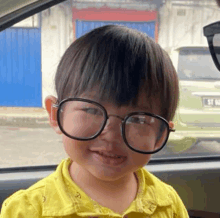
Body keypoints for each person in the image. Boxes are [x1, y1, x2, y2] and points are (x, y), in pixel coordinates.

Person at [0, 25, 189, 218]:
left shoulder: (168, 204)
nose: (112, 135)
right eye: (91, 109)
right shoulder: (25, 211)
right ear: (56, 114)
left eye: (139, 119)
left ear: (160, 135)